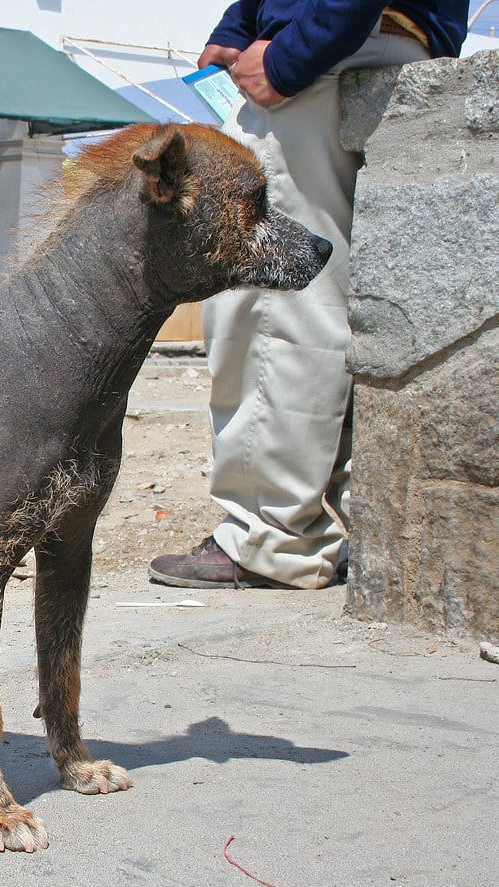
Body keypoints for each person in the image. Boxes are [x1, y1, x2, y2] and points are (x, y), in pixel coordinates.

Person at [148, 2, 468, 590]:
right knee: (353, 299)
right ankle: (366, 531)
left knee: (271, 299)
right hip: (390, 44)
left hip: (329, 49)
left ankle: (271, 537)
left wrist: (293, 52)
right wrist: (239, 31)